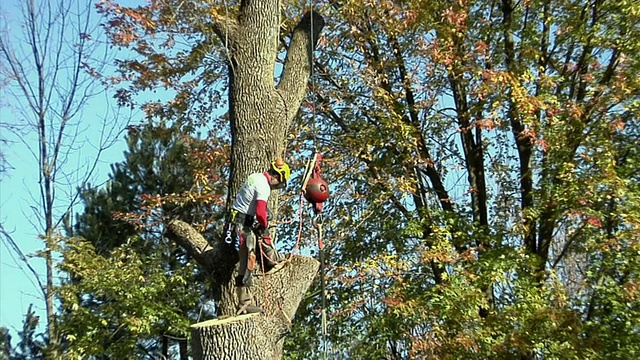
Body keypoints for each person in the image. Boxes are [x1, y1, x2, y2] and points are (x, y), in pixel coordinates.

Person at [229, 158, 290, 314]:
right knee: (247, 259)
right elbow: (261, 213)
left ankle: (270, 260)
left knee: (253, 249)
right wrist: (264, 226)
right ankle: (244, 303)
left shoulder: (256, 176)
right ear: (277, 177)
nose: (278, 186)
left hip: (241, 220)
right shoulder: (264, 187)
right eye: (280, 183)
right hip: (241, 224)